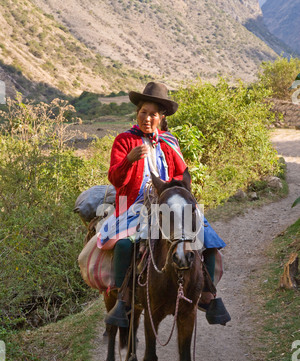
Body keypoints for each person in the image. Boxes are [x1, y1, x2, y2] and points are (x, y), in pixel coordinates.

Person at [97, 82, 230, 327]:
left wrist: (175, 194)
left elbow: (182, 176)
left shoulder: (170, 142)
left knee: (208, 240)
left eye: (153, 114)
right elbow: (116, 179)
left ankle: (208, 294)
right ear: (137, 113)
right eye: (143, 112)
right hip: (134, 204)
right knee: (125, 244)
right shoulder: (125, 141)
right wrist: (128, 161)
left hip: (168, 201)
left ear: (161, 117)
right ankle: (123, 299)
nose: (147, 118)